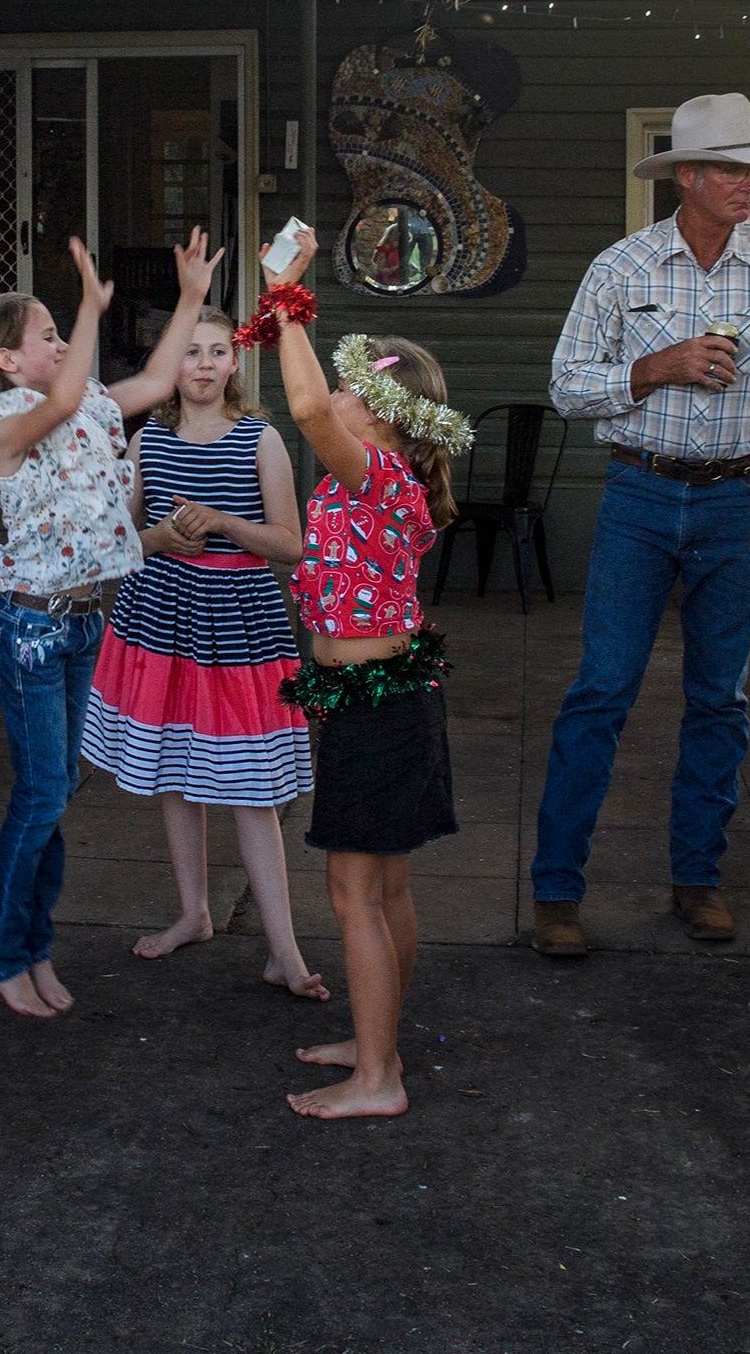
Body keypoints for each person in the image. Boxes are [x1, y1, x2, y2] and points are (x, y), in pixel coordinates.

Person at [534, 93, 750, 952]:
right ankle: (556, 892)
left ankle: (698, 879)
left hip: (738, 497)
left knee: (720, 698)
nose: (747, 183)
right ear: (686, 177)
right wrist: (653, 369)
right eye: (729, 169)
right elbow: (566, 384)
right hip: (640, 494)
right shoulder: (622, 267)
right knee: (602, 688)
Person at [0, 228, 220, 1021]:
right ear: (7, 359)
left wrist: (188, 300)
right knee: (42, 792)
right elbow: (60, 399)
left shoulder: (86, 408)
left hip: (85, 622)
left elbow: (155, 376)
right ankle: (0, 954)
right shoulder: (1, 422)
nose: (61, 343)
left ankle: (33, 944)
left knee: (58, 792)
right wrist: (87, 307)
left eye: (61, 332)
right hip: (31, 629)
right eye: (45, 335)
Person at [245, 230, 471, 1120]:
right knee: (385, 887)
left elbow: (302, 410)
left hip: (381, 708)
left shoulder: (380, 478)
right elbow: (310, 406)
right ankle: (379, 1043)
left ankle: (376, 1079)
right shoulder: (360, 483)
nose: (332, 397)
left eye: (350, 387)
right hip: (374, 701)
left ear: (381, 416)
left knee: (352, 893)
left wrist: (287, 294)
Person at [81, 304, 326, 1000]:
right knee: (170, 772)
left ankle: (284, 948)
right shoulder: (147, 443)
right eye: (190, 353)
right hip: (160, 619)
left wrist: (221, 522)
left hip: (239, 625)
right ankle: (194, 912)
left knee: (250, 785)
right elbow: (115, 541)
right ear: (170, 365)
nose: (205, 365)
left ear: (235, 364)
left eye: (218, 352)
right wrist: (159, 539)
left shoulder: (260, 438)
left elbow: (291, 543)